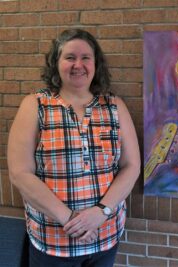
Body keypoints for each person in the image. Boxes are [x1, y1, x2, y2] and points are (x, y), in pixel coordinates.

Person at [7, 29, 141, 266]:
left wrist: (101, 212)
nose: (78, 64)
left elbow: (131, 167)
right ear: (56, 63)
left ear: (95, 64)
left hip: (105, 239)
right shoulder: (35, 105)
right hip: (52, 242)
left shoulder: (114, 106)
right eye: (69, 57)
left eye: (85, 57)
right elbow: (20, 173)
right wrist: (71, 220)